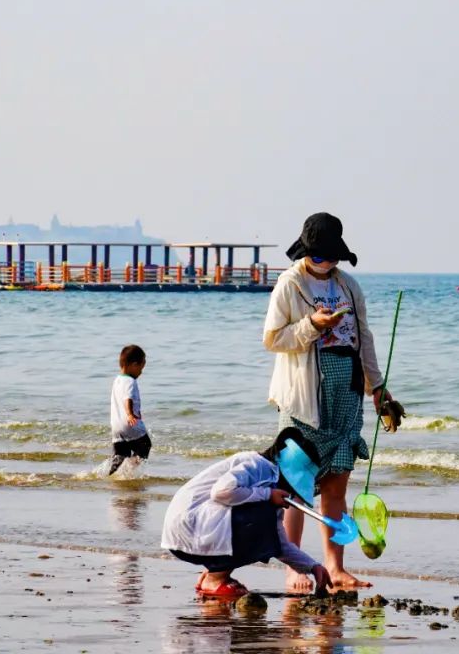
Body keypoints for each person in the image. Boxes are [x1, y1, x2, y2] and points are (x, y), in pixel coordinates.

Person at [263, 212, 395, 591]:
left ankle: (335, 568)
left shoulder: (348, 286)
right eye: (318, 257)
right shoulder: (290, 284)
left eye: (331, 257)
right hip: (304, 396)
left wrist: (378, 387)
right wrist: (312, 326)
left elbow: (364, 337)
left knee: (337, 483)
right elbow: (272, 339)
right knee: (296, 485)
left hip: (347, 393)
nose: (325, 263)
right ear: (306, 253)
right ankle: (295, 567)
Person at [161, 427, 332, 597]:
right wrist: (267, 495)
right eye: (293, 489)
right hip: (187, 527)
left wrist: (313, 566)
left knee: (267, 522)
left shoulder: (271, 490)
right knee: (263, 518)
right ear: (286, 477)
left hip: (197, 531)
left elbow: (279, 544)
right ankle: (215, 579)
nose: (292, 496)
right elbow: (221, 491)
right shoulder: (257, 465)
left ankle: (215, 574)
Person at [106, 344, 152, 476]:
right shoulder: (130, 382)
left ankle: (111, 475)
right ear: (133, 364)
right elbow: (128, 399)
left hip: (116, 426)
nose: (141, 372)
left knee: (120, 455)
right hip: (129, 424)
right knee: (145, 445)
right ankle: (129, 471)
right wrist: (131, 414)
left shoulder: (117, 380)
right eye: (141, 368)